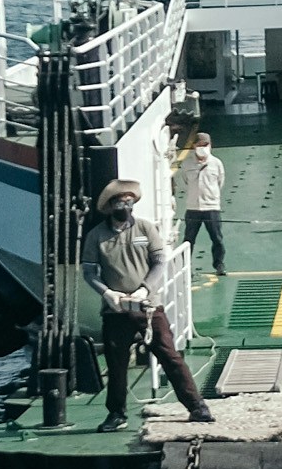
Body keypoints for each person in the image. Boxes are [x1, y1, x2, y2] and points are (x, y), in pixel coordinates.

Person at [81, 176, 206, 425]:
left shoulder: (146, 229)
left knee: (170, 356)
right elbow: (89, 272)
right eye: (121, 202)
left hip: (149, 308)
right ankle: (117, 414)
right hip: (115, 311)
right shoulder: (96, 237)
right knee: (116, 365)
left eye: (130, 202)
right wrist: (107, 293)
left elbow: (159, 261)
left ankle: (197, 406)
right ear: (110, 206)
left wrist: (145, 289)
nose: (126, 207)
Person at [176, 129, 228, 280]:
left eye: (206, 144)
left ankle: (219, 264)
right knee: (189, 239)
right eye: (200, 144)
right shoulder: (187, 164)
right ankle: (187, 267)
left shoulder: (216, 163)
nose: (203, 147)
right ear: (194, 146)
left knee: (217, 238)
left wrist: (210, 196)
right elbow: (183, 182)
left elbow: (220, 182)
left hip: (212, 207)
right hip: (193, 208)